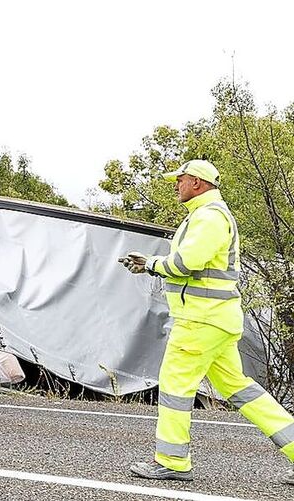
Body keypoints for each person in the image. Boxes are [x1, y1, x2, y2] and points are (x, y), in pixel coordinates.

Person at [123, 160, 294, 485]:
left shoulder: (209, 217)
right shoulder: (207, 215)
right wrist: (150, 265)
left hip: (200, 321)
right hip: (214, 320)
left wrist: (151, 264)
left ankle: (172, 462)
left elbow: (187, 262)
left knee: (175, 385)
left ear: (197, 183)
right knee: (239, 388)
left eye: (180, 179)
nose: (176, 185)